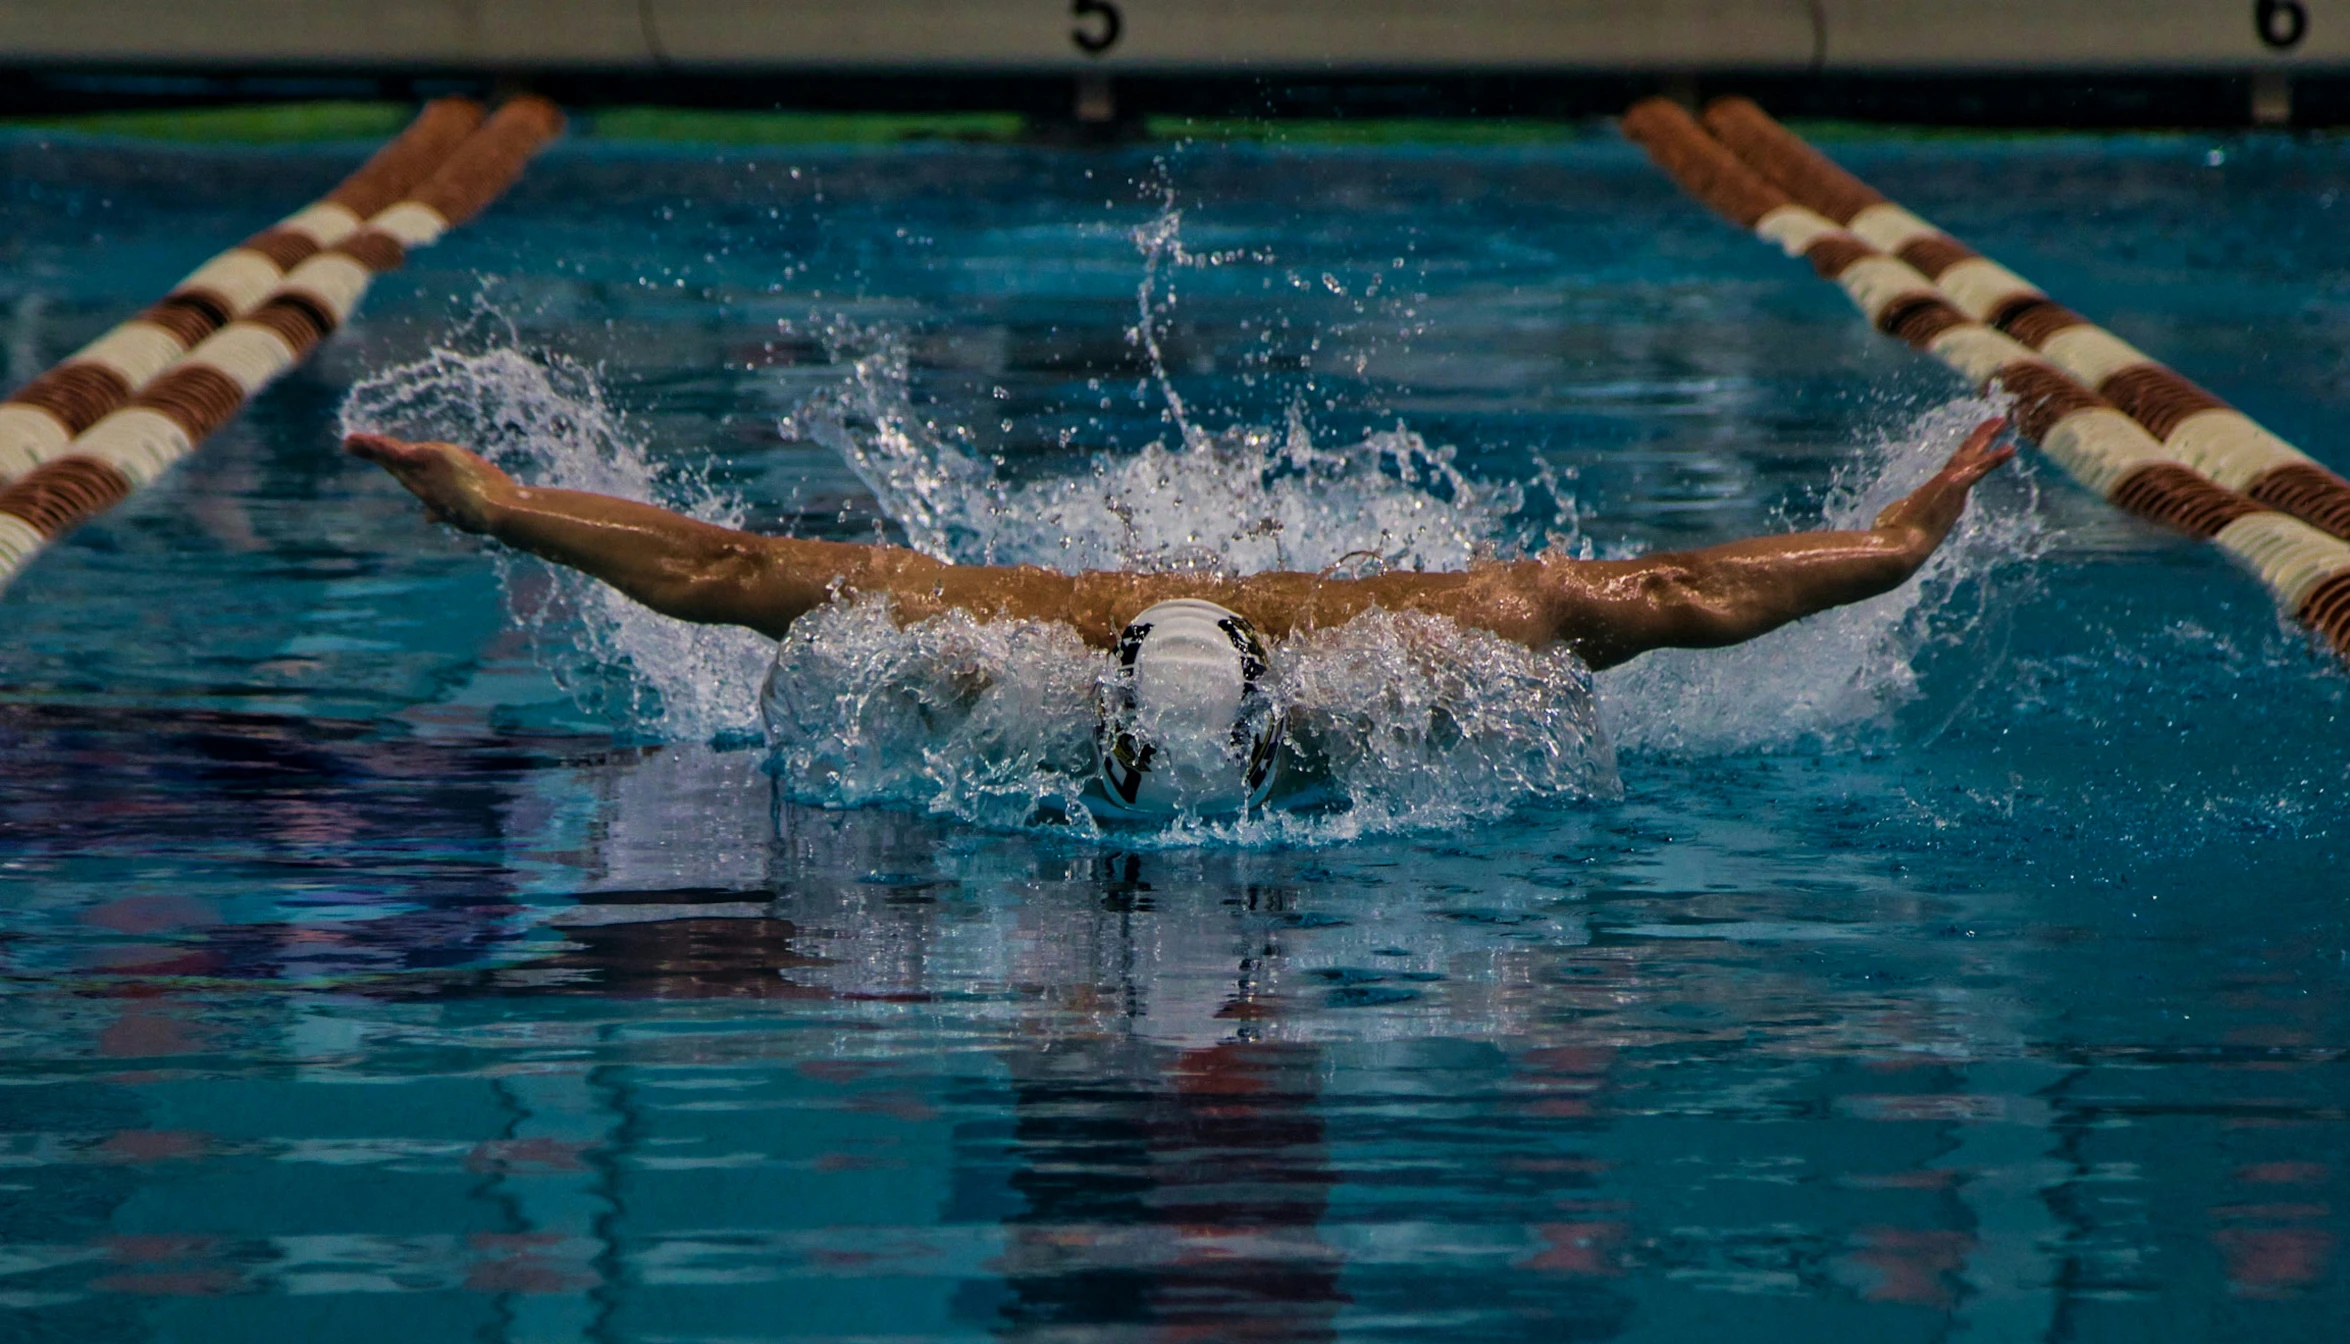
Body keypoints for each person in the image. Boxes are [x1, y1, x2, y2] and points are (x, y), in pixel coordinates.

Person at [345, 418, 2013, 814]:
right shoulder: (1000, 629)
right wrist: (496, 505)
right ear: (1112, 706)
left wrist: (1890, 544)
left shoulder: (1420, 631)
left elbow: (1664, 592)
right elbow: (718, 569)